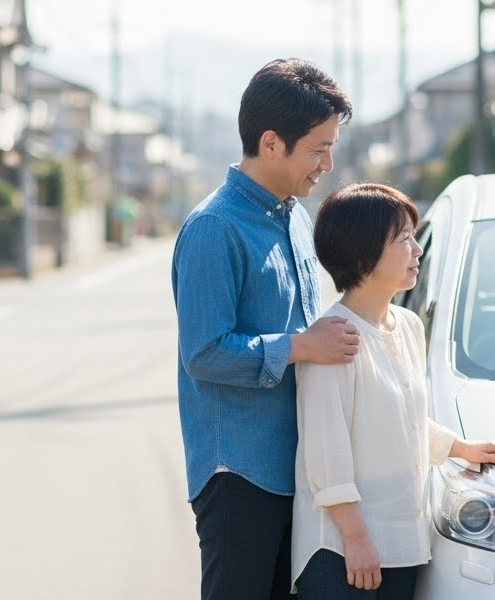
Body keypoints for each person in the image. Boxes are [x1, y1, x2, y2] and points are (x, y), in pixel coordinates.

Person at [172, 59, 362, 600]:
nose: (328, 163)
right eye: (319, 148)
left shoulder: (295, 216)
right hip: (238, 470)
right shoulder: (213, 227)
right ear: (271, 143)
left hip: (295, 462)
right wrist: (301, 346)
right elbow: (204, 353)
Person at [292, 182, 495, 598]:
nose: (417, 250)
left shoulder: (407, 326)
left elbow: (405, 420)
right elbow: (326, 455)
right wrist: (356, 540)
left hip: (401, 545)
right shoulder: (334, 337)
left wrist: (462, 448)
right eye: (403, 239)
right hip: (342, 551)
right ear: (362, 253)